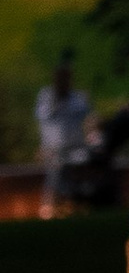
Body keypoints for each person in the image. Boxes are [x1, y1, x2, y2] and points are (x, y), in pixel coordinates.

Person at [34, 52, 91, 218]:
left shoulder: (77, 98)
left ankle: (74, 205)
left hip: (76, 148)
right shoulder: (46, 96)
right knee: (55, 174)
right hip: (53, 149)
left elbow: (88, 118)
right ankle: (49, 207)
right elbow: (43, 116)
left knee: (79, 172)